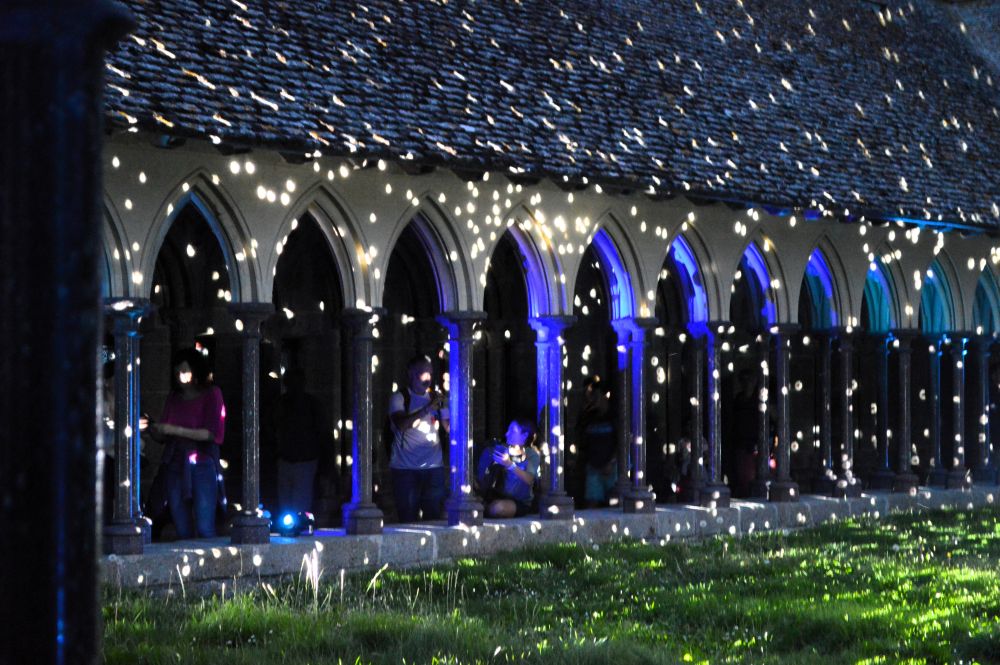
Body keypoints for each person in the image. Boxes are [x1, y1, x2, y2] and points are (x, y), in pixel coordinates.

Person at [145, 348, 226, 539]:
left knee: (205, 527)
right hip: (175, 464)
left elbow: (211, 434)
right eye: (177, 372)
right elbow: (163, 437)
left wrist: (174, 429)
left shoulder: (212, 393)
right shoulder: (174, 397)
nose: (181, 376)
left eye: (185, 371)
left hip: (202, 463)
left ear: (196, 371)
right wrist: (152, 428)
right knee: (182, 527)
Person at [388, 355, 449, 522]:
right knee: (408, 518)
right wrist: (427, 409)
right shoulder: (400, 397)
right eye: (423, 373)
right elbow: (401, 424)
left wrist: (446, 408)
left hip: (433, 467)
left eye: (430, 373)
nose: (428, 378)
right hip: (406, 469)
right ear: (411, 374)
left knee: (434, 518)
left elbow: (449, 429)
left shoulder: (436, 398)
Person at [274, 367, 326, 516]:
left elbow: (321, 432)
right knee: (285, 504)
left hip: (305, 461)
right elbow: (273, 426)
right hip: (285, 460)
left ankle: (300, 529)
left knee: (301, 505)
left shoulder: (312, 405)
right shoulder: (281, 403)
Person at [476, 419, 540, 517]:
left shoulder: (531, 455)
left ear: (524, 435)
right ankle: (480, 508)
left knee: (499, 508)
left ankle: (481, 510)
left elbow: (529, 479)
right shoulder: (501, 449)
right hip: (495, 495)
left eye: (512, 431)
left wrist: (509, 464)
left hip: (519, 502)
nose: (507, 434)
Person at [576, 375, 617, 507]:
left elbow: (622, 442)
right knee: (592, 504)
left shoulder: (614, 415)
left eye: (596, 395)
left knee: (615, 502)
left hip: (613, 466)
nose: (593, 398)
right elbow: (581, 440)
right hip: (593, 466)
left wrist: (612, 461)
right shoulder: (588, 416)